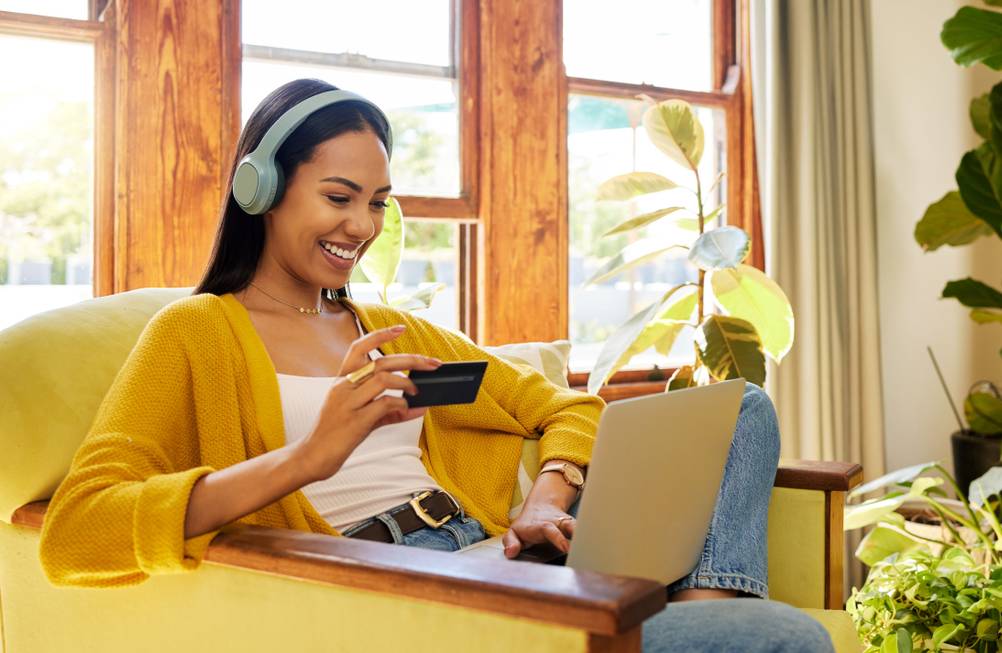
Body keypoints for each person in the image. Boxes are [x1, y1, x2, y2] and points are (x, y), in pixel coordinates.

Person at [38, 78, 833, 652]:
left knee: (742, 407)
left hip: (500, 556)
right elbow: (76, 531)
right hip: (407, 590)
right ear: (263, 189)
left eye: (377, 202)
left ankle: (701, 602)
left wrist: (546, 496)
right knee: (783, 637)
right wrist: (310, 455)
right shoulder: (196, 333)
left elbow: (562, 406)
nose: (362, 225)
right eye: (339, 197)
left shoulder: (390, 332)